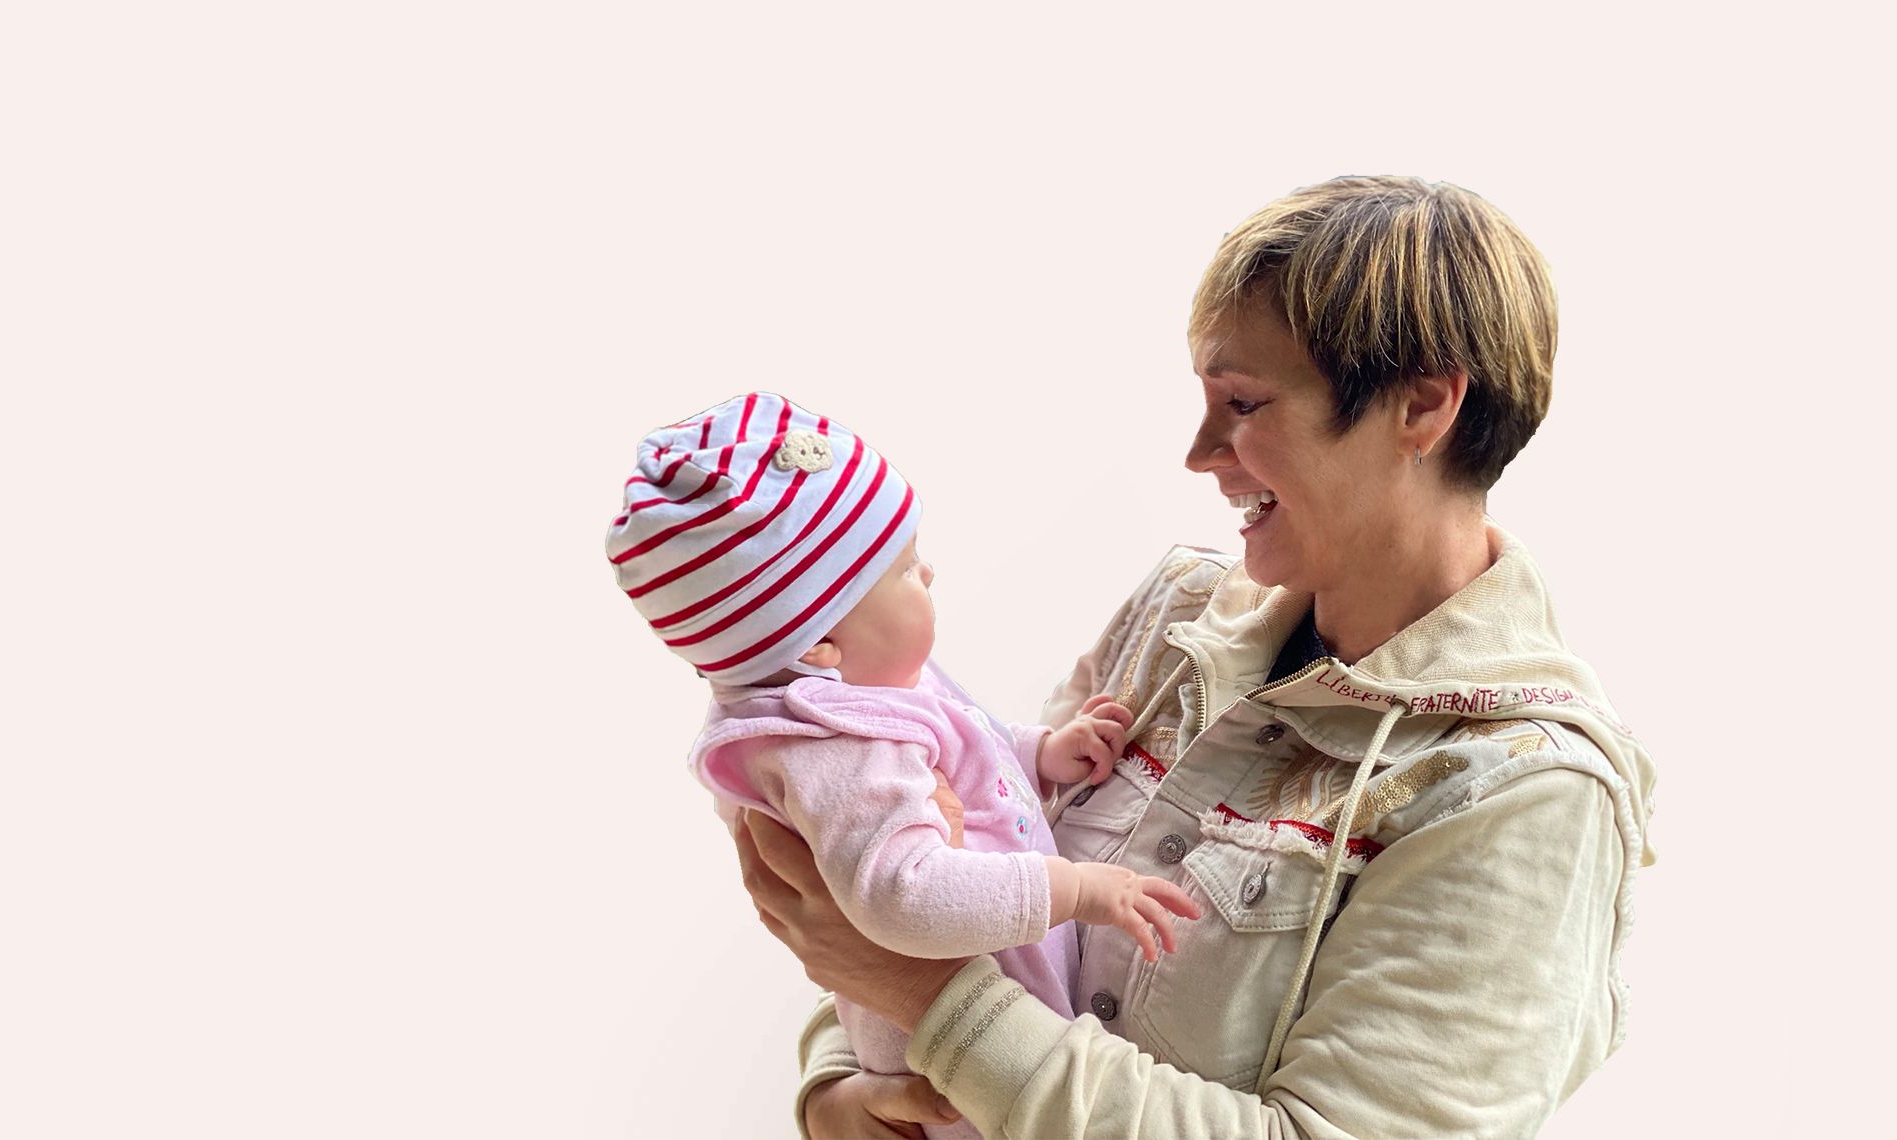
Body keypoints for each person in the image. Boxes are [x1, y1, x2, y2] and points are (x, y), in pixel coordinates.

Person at [738, 175, 1658, 1139]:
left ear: (1422, 408)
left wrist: (929, 1003)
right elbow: (957, 858)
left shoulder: (1523, 792)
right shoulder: (1172, 618)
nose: (1201, 450)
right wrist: (844, 1095)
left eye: (1243, 402)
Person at [607, 393, 1201, 1139]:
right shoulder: (837, 751)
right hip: (963, 1075)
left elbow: (963, 750)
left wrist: (1039, 754)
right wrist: (1076, 889)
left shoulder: (859, 688)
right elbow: (904, 893)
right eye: (904, 570)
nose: (930, 574)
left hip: (993, 1023)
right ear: (818, 643)